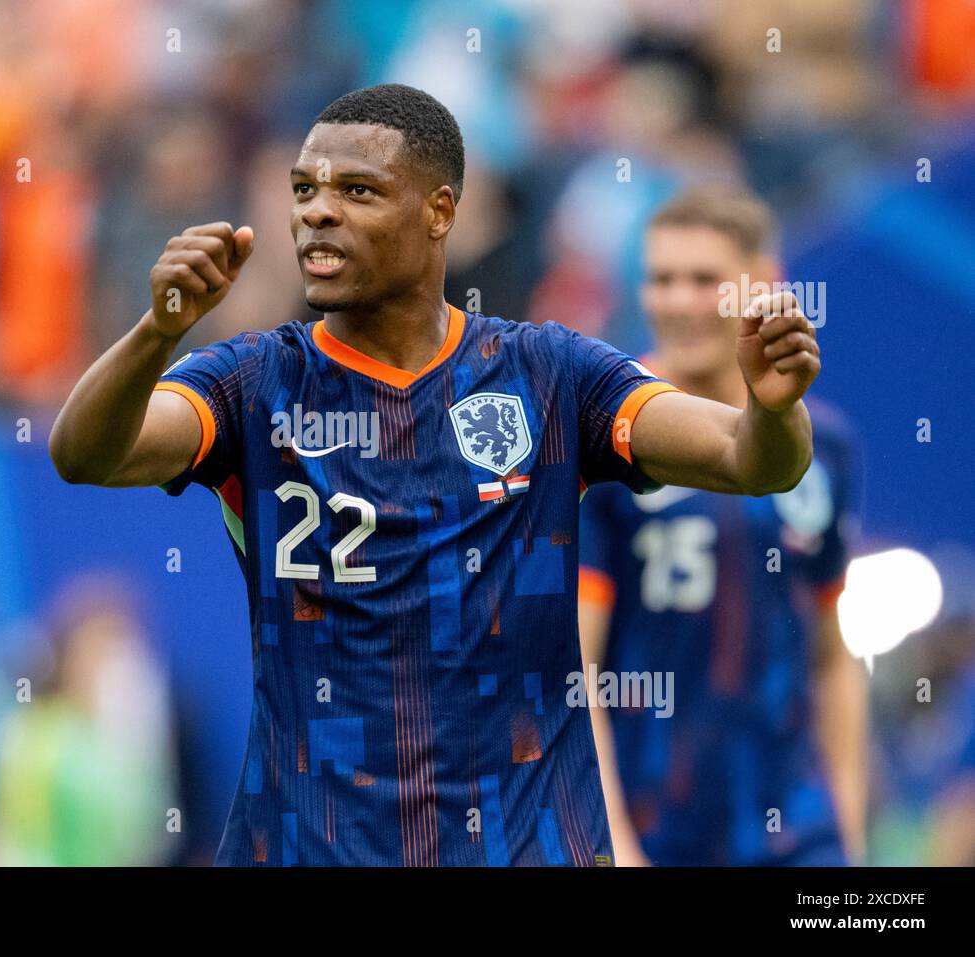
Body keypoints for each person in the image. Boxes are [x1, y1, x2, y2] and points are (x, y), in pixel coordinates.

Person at [50, 84, 822, 866]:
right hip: (307, 845)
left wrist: (774, 407)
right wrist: (157, 332)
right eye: (304, 190)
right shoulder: (252, 383)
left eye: (357, 191)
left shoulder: (550, 375)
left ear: (439, 212)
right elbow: (85, 454)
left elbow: (750, 460)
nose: (317, 211)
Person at [577, 184, 866, 865]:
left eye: (704, 279)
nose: (678, 300)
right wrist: (612, 843)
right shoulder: (604, 435)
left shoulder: (825, 447)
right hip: (658, 829)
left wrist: (846, 819)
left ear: (764, 285)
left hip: (797, 830)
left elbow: (830, 653)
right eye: (660, 279)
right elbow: (576, 671)